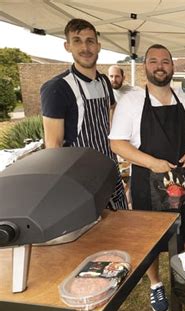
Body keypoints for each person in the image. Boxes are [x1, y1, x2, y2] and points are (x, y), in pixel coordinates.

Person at [109, 44, 185, 311]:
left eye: (166, 61)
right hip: (147, 182)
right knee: (151, 240)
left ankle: (180, 278)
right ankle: (157, 284)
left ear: (172, 66)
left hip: (180, 182)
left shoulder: (183, 98)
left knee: (181, 234)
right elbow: (117, 144)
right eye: (154, 61)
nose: (160, 66)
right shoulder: (131, 102)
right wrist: (152, 163)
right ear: (145, 66)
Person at [40, 18, 127, 210]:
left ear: (98, 46)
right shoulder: (57, 88)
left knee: (123, 229)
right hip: (79, 180)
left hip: (110, 170)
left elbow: (110, 115)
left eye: (90, 41)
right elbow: (53, 146)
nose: (85, 47)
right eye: (77, 41)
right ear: (67, 46)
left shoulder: (105, 81)